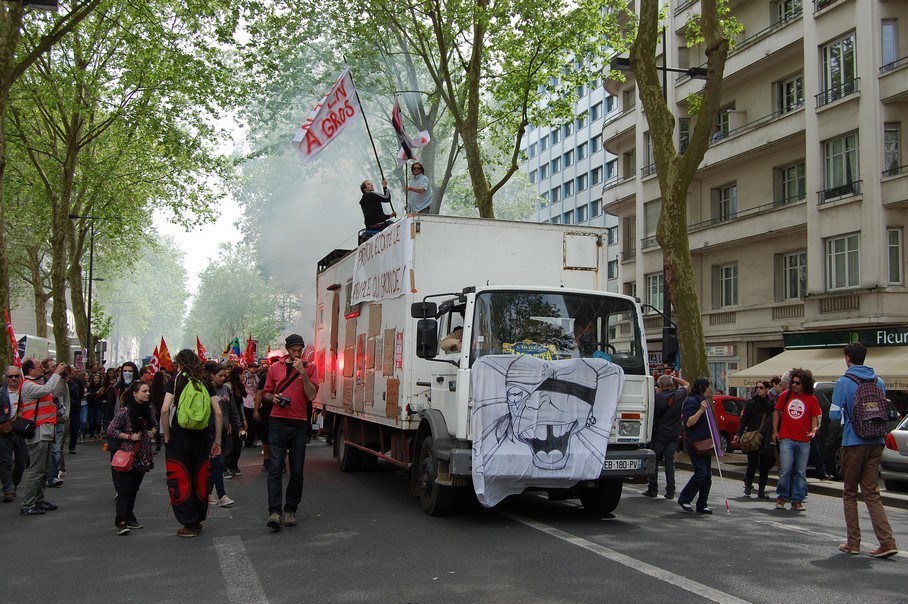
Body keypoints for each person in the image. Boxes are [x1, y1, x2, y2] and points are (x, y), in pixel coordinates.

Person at [830, 342, 898, 558]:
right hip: (876, 440)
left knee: (850, 492)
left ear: (847, 358)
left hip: (853, 441)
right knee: (872, 493)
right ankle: (887, 542)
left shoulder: (843, 382)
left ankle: (853, 542)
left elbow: (833, 415)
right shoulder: (878, 381)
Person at [161, 349, 223, 537]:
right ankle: (198, 519)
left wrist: (166, 435)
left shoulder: (175, 380)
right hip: (202, 436)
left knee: (181, 475)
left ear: (180, 364)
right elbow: (218, 412)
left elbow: (164, 410)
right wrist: (217, 440)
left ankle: (188, 522)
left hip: (180, 435)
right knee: (200, 475)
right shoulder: (205, 381)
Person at [262, 334, 319, 530]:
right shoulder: (274, 368)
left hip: (299, 424)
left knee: (297, 471)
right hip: (277, 422)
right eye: (294, 350)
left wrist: (303, 373)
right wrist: (273, 398)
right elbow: (266, 392)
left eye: (300, 350)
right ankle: (274, 512)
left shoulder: (310, 368)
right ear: (287, 350)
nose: (297, 353)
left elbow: (311, 395)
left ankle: (290, 509)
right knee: (275, 468)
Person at [106, 381, 156, 535]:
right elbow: (111, 430)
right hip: (129, 455)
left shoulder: (148, 410)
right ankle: (121, 520)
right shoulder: (125, 411)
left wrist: (153, 432)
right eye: (144, 391)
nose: (147, 394)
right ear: (134, 393)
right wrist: (129, 436)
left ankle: (129, 516)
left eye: (148, 391)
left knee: (134, 488)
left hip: (143, 455)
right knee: (125, 489)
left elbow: (154, 425)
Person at [18, 357, 66, 516]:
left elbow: (54, 391)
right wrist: (56, 373)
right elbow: (47, 390)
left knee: (44, 469)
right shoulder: (28, 385)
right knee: (36, 470)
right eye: (39, 367)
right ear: (30, 370)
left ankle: (39, 500)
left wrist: (58, 375)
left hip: (45, 430)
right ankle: (28, 504)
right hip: (38, 432)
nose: (43, 369)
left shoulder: (37, 383)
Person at [771, 367, 821, 512]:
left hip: (804, 439)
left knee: (800, 471)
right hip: (787, 437)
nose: (794, 385)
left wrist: (814, 430)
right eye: (793, 382)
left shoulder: (811, 399)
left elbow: (814, 417)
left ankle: (797, 500)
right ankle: (782, 496)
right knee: (786, 469)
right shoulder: (785, 395)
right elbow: (776, 412)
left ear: (804, 384)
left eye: (797, 383)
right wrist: (775, 431)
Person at [643, 374, 688, 499]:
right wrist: (674, 379)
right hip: (673, 434)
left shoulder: (655, 398)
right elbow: (686, 384)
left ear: (661, 386)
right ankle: (670, 491)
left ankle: (653, 488)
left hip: (659, 435)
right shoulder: (678, 396)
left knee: (654, 461)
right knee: (670, 462)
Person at [205, 361, 242, 507]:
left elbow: (233, 409)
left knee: (216, 464)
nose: (223, 378)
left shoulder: (226, 389)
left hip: (225, 431)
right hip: (210, 432)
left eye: (224, 376)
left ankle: (209, 493)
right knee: (218, 462)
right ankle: (221, 495)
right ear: (211, 375)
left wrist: (238, 426)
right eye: (220, 375)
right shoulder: (205, 390)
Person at [733, 380, 775, 499]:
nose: (758, 390)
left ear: (767, 389)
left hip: (765, 436)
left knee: (765, 464)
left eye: (761, 388)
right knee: (752, 462)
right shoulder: (751, 403)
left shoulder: (771, 404)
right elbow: (744, 419)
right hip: (753, 435)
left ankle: (761, 489)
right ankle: (748, 484)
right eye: (757, 387)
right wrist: (738, 433)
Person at [677, 378, 714, 514]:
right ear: (704, 387)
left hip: (706, 442)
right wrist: (701, 410)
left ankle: (702, 504)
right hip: (695, 442)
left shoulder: (705, 401)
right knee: (701, 472)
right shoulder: (692, 401)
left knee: (707, 475)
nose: (711, 389)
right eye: (709, 386)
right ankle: (685, 498)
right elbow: (688, 423)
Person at [1, 367, 27, 503]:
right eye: (10, 376)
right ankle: (8, 489)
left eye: (16, 376)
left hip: (21, 432)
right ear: (6, 378)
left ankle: (13, 485)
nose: (13, 379)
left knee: (21, 463)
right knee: (4, 462)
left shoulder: (25, 392)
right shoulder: (1, 393)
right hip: (4, 432)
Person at [226, 365, 248, 477]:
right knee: (230, 444)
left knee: (238, 442)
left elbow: (240, 405)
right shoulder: (228, 386)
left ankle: (234, 465)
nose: (244, 376)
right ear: (238, 374)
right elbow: (227, 405)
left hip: (238, 417)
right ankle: (227, 466)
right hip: (230, 418)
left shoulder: (240, 386)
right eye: (243, 374)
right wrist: (228, 421)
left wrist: (243, 419)